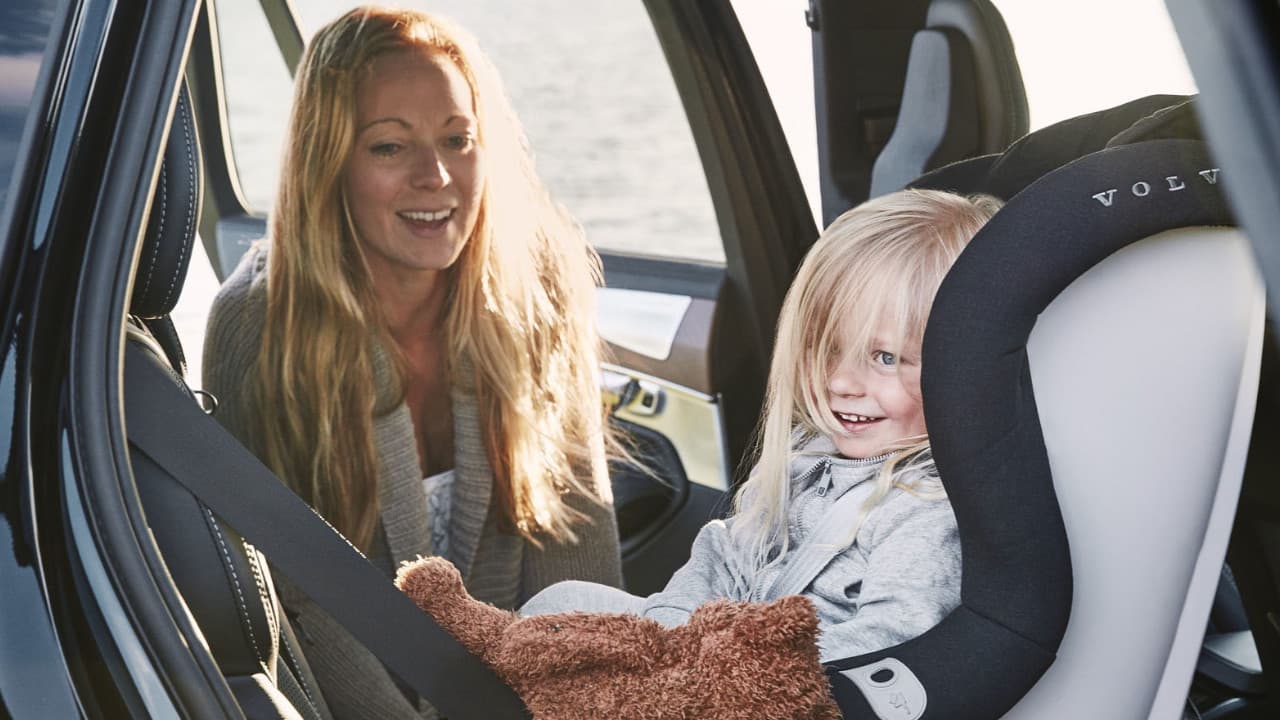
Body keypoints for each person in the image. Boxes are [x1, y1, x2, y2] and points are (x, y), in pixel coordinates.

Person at [202, 6, 622, 718]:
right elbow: (293, 601)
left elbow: (575, 543)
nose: (436, 176)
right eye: (390, 147)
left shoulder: (539, 288)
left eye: (457, 139)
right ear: (329, 160)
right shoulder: (259, 324)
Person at [521, 188, 1002, 663]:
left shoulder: (925, 511)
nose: (840, 381)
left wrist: (734, 664)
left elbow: (892, 640)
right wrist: (669, 635)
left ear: (961, 367)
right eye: (828, 348)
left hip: (789, 680)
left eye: (885, 357)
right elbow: (724, 554)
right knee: (556, 605)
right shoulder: (808, 454)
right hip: (714, 654)